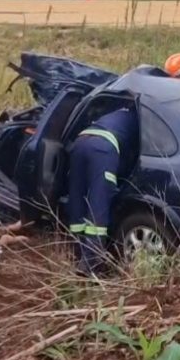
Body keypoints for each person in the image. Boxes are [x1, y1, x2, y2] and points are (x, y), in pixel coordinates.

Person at [67, 106, 138, 275]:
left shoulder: (117, 111)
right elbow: (132, 155)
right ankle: (90, 264)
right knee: (99, 203)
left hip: (81, 141)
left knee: (77, 197)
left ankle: (76, 253)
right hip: (103, 148)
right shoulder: (141, 118)